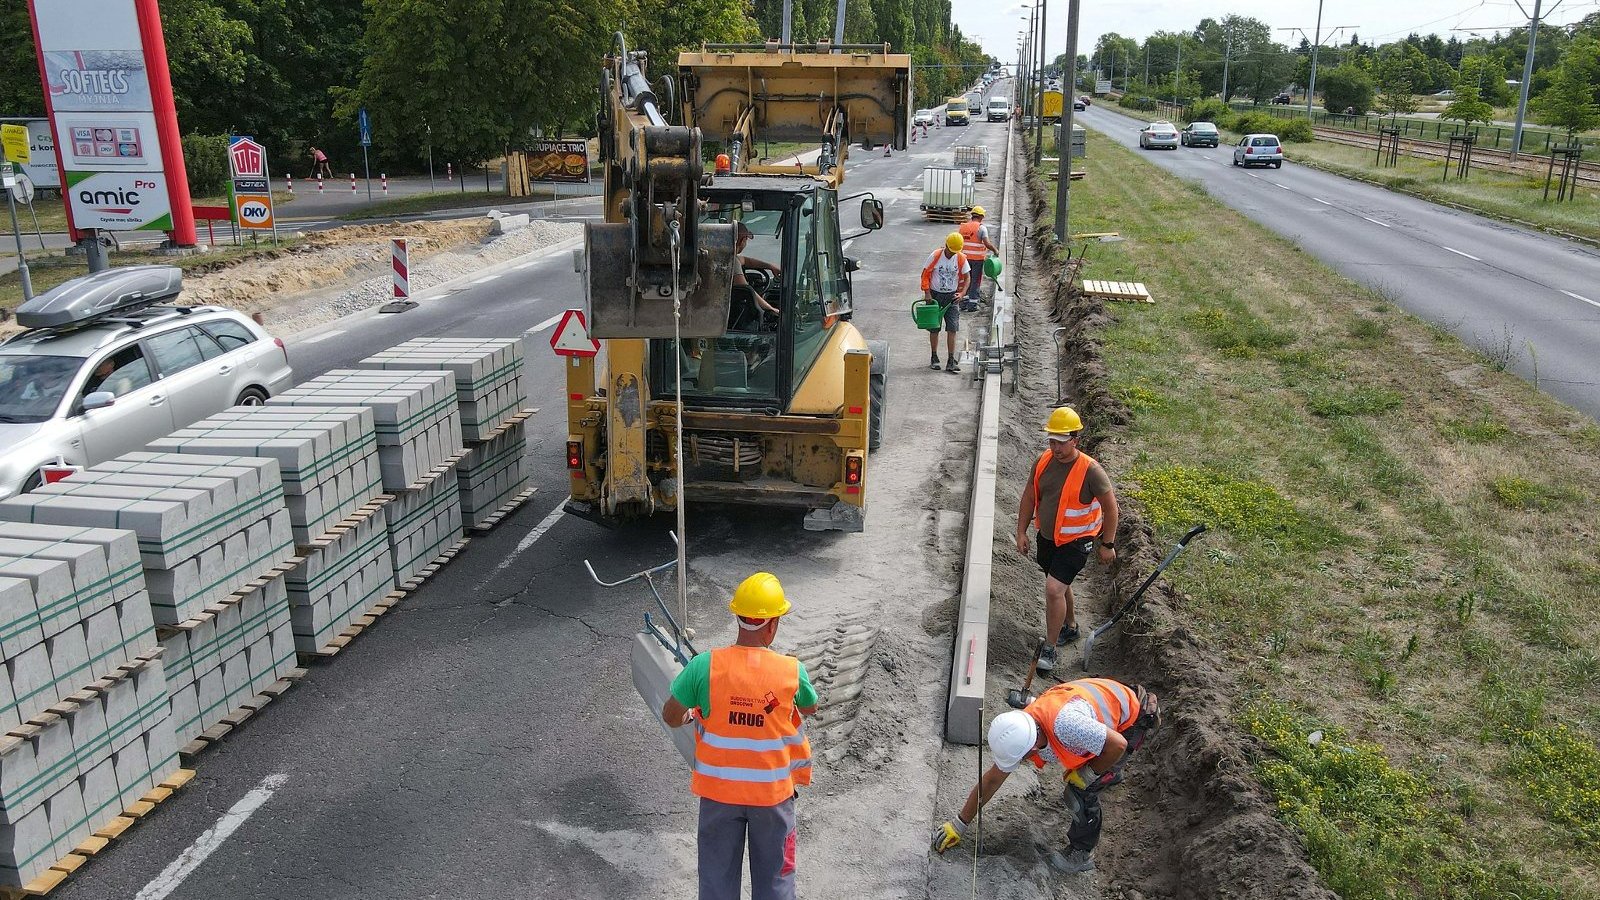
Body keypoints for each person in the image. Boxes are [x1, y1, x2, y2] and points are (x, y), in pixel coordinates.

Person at [662, 572, 818, 900]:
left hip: (719, 795)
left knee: (717, 883)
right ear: (773, 625)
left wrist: (694, 712)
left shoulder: (705, 666)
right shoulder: (791, 671)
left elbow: (671, 715)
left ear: (737, 619)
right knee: (775, 883)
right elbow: (811, 706)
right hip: (773, 798)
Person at [931, 679, 1161, 874]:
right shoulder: (1026, 725)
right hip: (1108, 708)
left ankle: (1082, 853)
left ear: (1031, 749)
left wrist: (1089, 773)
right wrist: (959, 824)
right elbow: (992, 778)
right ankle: (1108, 772)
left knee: (1078, 791)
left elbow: (1117, 744)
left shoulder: (1067, 727)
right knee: (1091, 764)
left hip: (1132, 720)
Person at [1016, 406, 1119, 672]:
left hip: (1077, 541)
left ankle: (1049, 650)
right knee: (1059, 585)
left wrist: (1107, 544)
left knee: (1053, 589)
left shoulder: (1091, 471)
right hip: (1049, 538)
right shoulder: (1042, 461)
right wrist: (1021, 530)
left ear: (1075, 439)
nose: (1056, 448)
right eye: (1052, 441)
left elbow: (1111, 508)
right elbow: (1029, 496)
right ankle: (1070, 627)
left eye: (1061, 442)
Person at [920, 232, 970, 374]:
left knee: (952, 328)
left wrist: (962, 293)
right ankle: (934, 357)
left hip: (952, 297)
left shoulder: (960, 258)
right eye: (950, 251)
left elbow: (967, 278)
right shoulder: (935, 256)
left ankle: (950, 360)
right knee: (934, 328)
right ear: (946, 245)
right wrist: (927, 292)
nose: (952, 254)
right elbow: (925, 274)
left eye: (955, 252)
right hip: (935, 296)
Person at [957, 206, 997, 312]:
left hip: (964, 259)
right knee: (975, 281)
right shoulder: (981, 228)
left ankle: (963, 303)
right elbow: (987, 243)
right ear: (981, 216)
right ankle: (972, 304)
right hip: (977, 260)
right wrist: (995, 250)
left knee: (965, 280)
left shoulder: (963, 227)